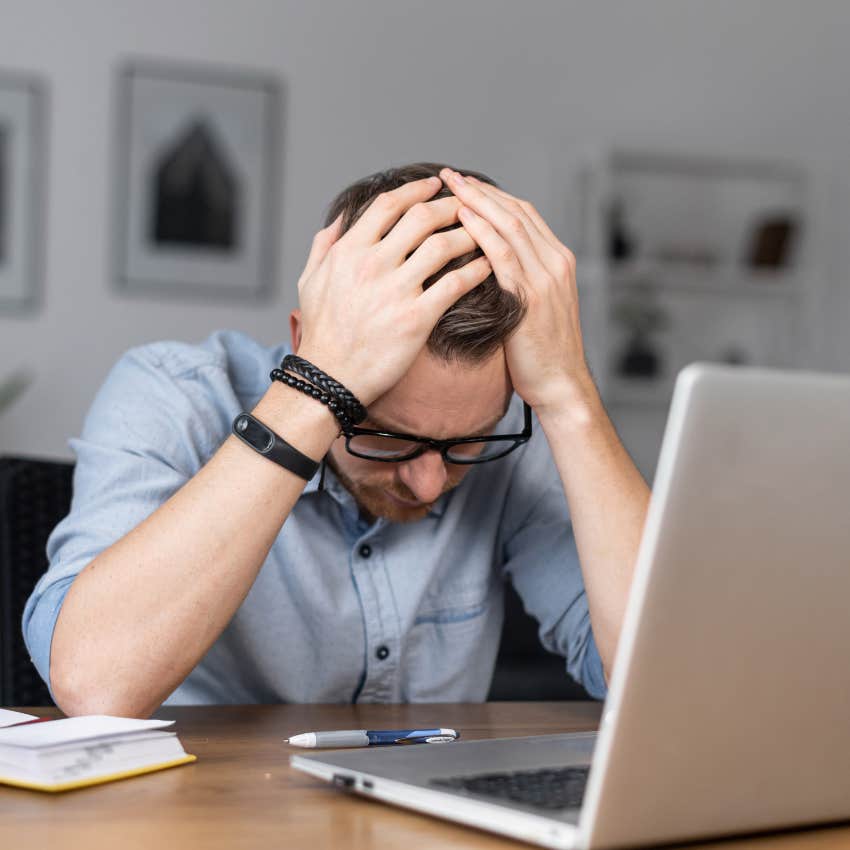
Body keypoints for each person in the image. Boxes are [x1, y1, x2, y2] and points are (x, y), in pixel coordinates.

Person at [23, 163, 649, 717]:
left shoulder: (507, 423)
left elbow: (655, 685)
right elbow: (93, 684)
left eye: (466, 442)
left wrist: (572, 400)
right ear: (306, 341)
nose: (430, 484)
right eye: (388, 437)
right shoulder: (172, 394)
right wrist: (316, 389)